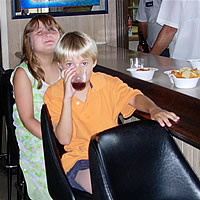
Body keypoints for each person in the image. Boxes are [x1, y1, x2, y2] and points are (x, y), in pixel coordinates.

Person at [43, 31, 180, 194]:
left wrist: (154, 109)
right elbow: (64, 139)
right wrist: (67, 99)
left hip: (112, 154)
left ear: (94, 63)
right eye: (70, 65)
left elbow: (134, 97)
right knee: (106, 188)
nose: (78, 72)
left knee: (147, 181)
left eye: (84, 64)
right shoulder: (54, 94)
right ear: (60, 66)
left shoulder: (107, 83)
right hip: (79, 160)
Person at [10, 14, 63, 200]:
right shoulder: (23, 74)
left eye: (51, 29)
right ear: (28, 42)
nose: (47, 34)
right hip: (38, 138)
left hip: (63, 133)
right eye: (39, 32)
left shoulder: (66, 68)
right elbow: (27, 119)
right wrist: (55, 140)